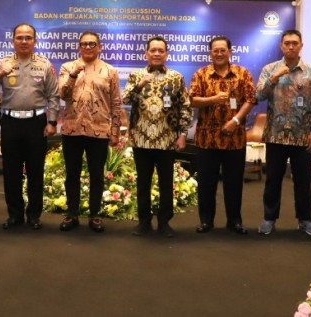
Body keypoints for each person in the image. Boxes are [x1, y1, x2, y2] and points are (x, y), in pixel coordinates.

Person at [0, 23, 59, 230]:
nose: (24, 41)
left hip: (36, 124)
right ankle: (14, 215)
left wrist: (52, 122)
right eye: (20, 37)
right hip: (11, 124)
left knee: (35, 171)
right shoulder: (3, 63)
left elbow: (53, 95)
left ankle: (34, 215)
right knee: (11, 171)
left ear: (35, 41)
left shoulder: (44, 65)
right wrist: (0, 75)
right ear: (13, 40)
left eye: (28, 38)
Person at [254, 29, 311, 237]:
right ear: (281, 46)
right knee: (272, 180)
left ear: (301, 45)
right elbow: (258, 95)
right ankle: (269, 219)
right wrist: (273, 78)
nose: (291, 46)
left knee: (303, 181)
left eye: (295, 43)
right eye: (287, 43)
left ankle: (305, 220)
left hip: (302, 136)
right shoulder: (270, 69)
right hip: (275, 135)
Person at [122, 36, 191, 237]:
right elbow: (125, 98)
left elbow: (184, 107)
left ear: (166, 54)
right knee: (143, 181)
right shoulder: (136, 75)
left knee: (166, 182)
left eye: (161, 50)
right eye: (153, 50)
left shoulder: (176, 77)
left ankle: (164, 222)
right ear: (146, 53)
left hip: (167, 139)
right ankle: (144, 221)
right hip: (141, 138)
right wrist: (140, 85)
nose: (157, 54)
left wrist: (183, 134)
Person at [189, 36, 256, 235]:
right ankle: (206, 221)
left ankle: (234, 221)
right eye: (215, 50)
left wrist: (235, 121)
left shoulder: (242, 74)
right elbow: (192, 100)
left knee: (234, 183)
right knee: (206, 183)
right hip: (206, 139)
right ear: (210, 53)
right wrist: (213, 99)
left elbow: (251, 99)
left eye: (223, 50)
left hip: (234, 139)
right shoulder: (201, 74)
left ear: (230, 52)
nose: (219, 53)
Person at [57, 31, 122, 232]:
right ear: (79, 47)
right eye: (84, 44)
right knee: (72, 175)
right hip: (72, 129)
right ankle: (72, 214)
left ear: (99, 47)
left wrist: (115, 131)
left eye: (92, 43)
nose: (87, 47)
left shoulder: (110, 71)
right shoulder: (67, 67)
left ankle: (95, 215)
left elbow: (116, 103)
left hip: (99, 131)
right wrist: (74, 74)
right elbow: (62, 94)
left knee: (97, 175)